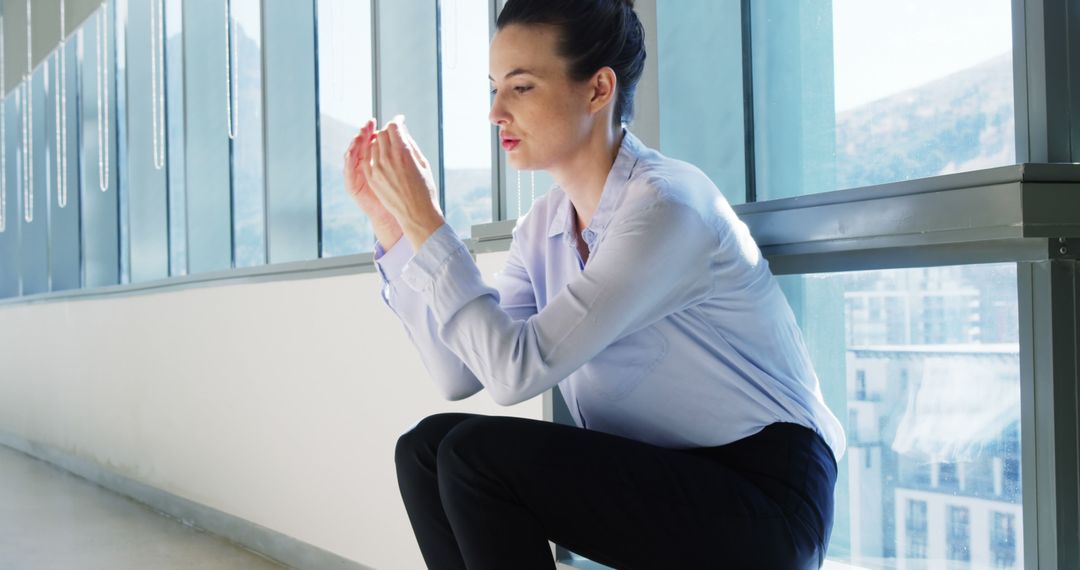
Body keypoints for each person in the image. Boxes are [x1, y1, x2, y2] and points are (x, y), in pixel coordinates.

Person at [343, 0, 845, 567]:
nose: (496, 113)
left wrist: (427, 223)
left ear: (598, 89)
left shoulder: (666, 207)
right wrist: (397, 228)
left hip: (767, 500)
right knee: (427, 449)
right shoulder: (543, 228)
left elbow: (515, 373)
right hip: (663, 475)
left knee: (476, 456)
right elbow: (460, 372)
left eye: (521, 88)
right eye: (493, 89)